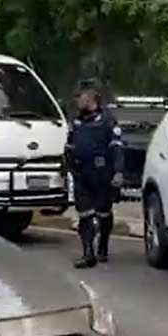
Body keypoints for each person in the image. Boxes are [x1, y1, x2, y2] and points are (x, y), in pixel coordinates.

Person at [64, 79, 125, 268]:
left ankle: (103, 246)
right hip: (81, 173)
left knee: (103, 213)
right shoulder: (77, 121)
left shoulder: (107, 120)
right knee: (84, 214)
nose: (77, 100)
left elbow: (117, 147)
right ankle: (87, 252)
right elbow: (70, 146)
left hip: (102, 174)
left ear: (91, 97)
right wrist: (66, 167)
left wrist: (118, 171)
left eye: (79, 96)